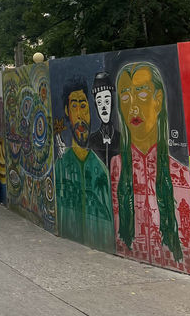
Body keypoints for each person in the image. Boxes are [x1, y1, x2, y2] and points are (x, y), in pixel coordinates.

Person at [111, 62, 190, 274]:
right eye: (125, 97)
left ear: (158, 100)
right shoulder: (115, 168)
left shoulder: (181, 173)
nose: (133, 106)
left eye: (141, 94)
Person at [54, 78, 114, 252]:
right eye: (74, 107)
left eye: (84, 106)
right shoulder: (60, 167)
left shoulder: (101, 172)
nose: (80, 116)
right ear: (66, 111)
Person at [88, 72, 119, 169]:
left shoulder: (121, 139)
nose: (104, 108)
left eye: (107, 101)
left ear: (113, 103)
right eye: (99, 102)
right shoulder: (92, 140)